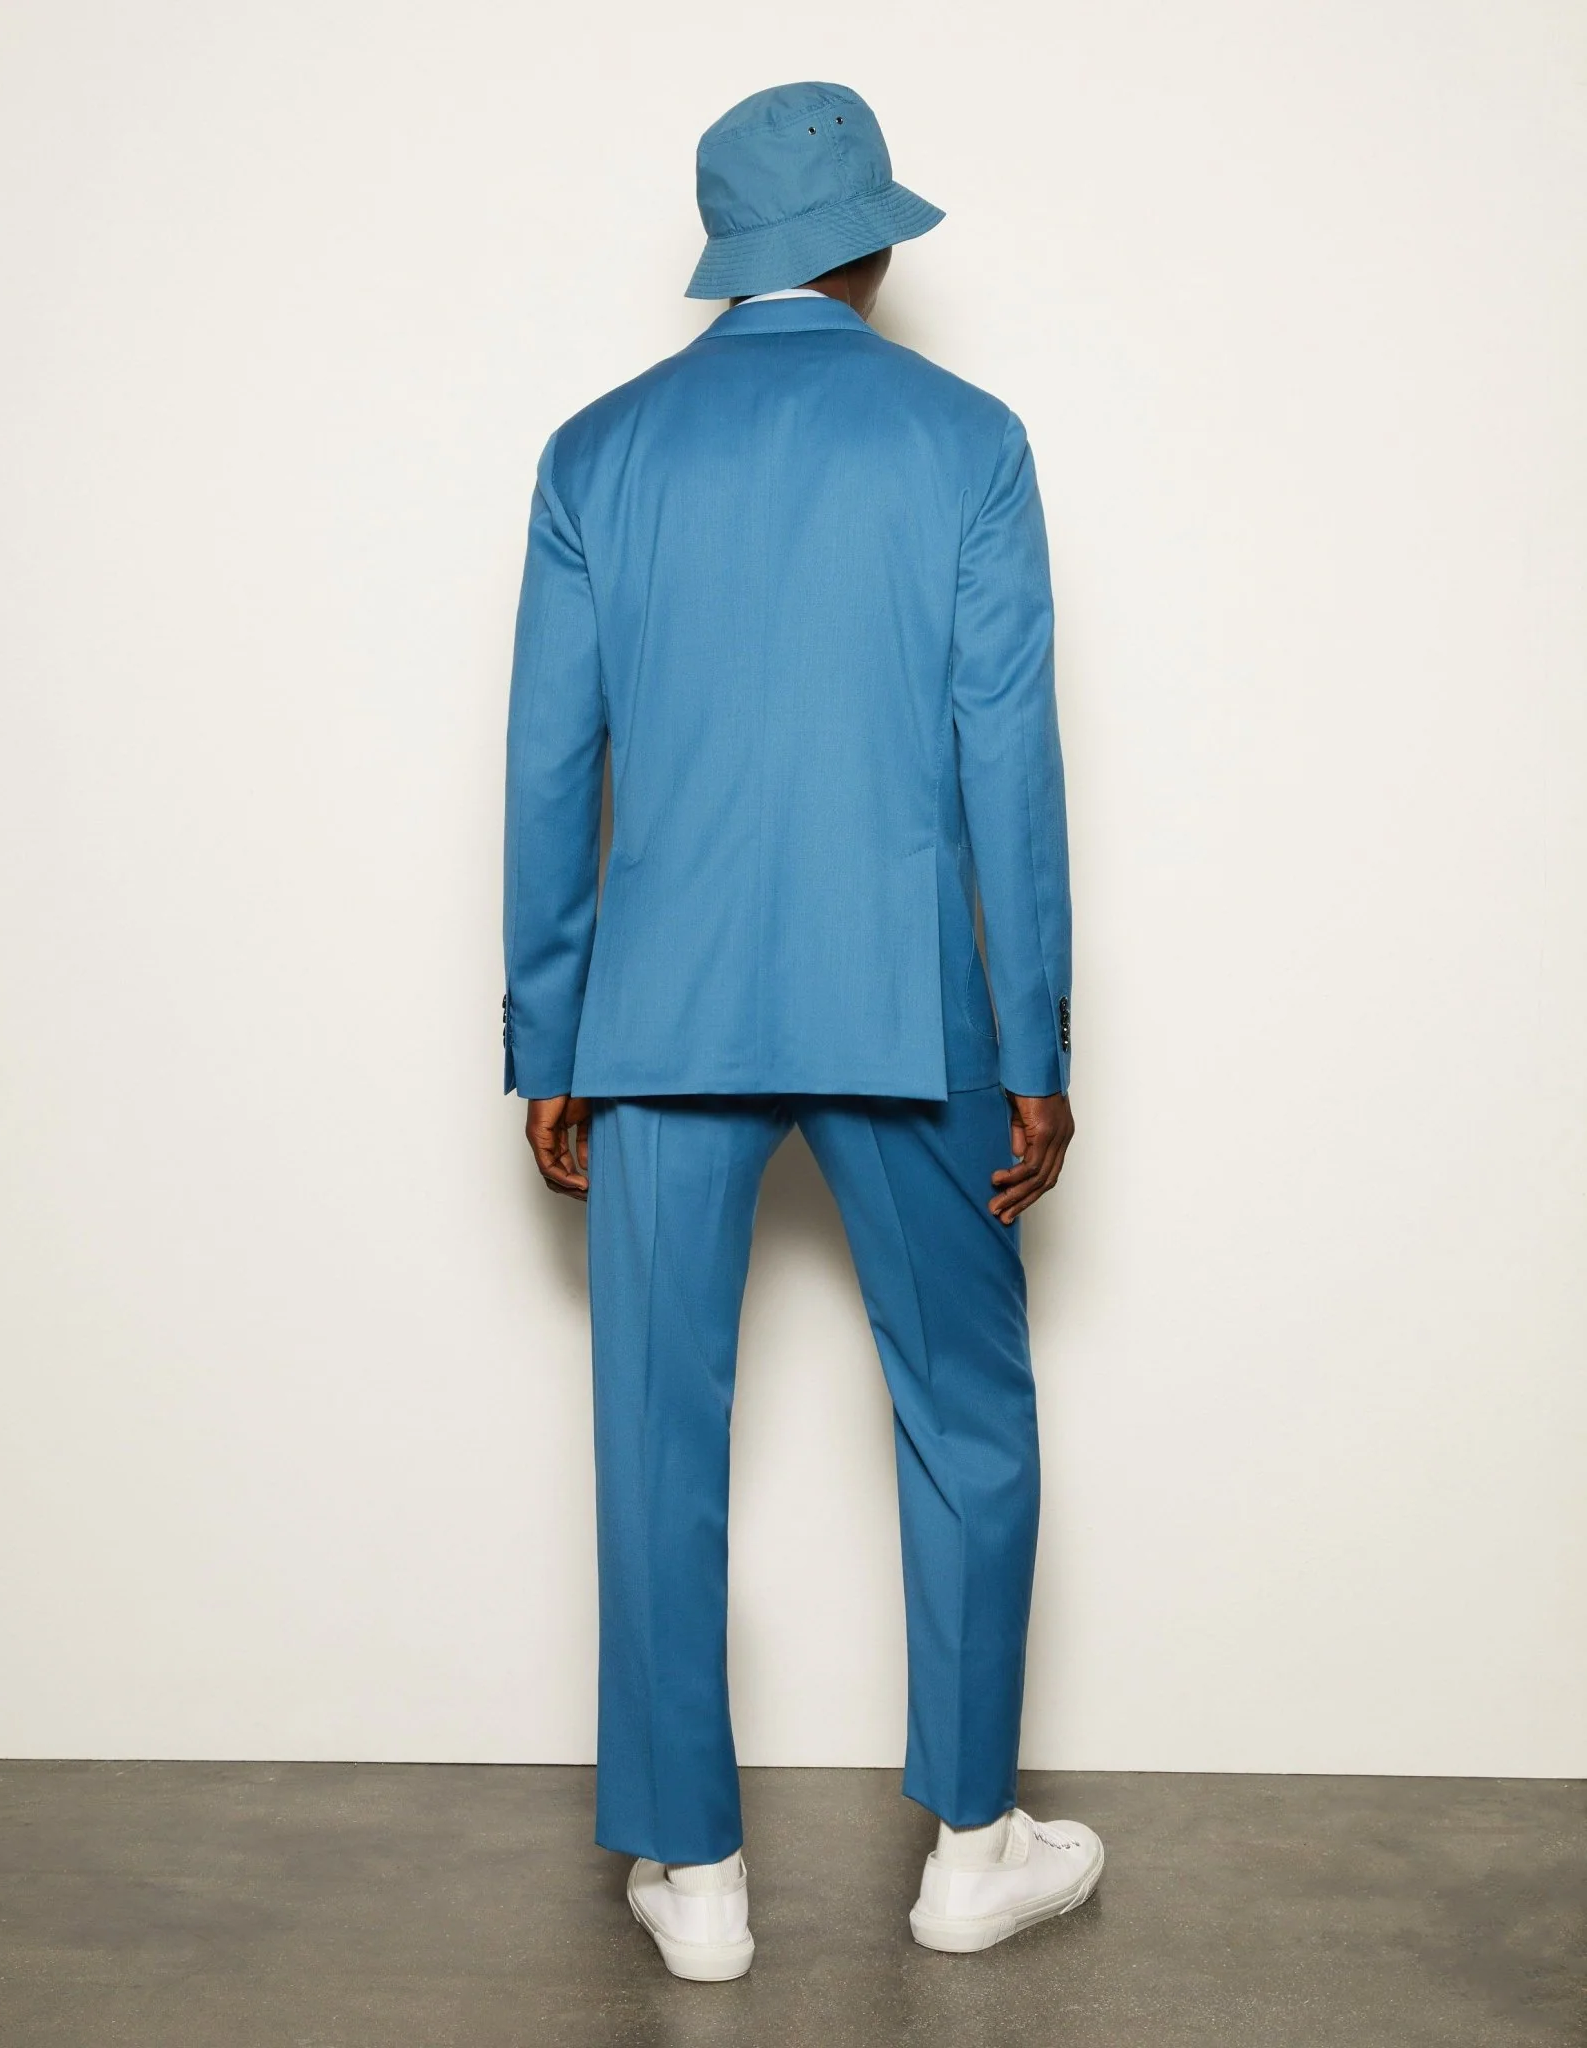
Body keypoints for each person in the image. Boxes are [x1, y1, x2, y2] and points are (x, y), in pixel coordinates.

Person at [501, 79, 1102, 1981]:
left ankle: (693, 1879)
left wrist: (547, 1039)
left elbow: (549, 771)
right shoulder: (968, 441)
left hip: (656, 1018)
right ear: (867, 249)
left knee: (652, 1433)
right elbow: (1010, 764)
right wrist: (1036, 1045)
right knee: (967, 1416)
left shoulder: (598, 453)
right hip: (907, 1009)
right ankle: (972, 1849)